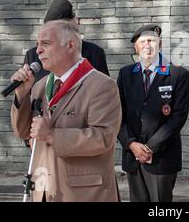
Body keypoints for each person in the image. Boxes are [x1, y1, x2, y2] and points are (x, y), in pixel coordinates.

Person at [10, 20, 121, 202]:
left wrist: (52, 135)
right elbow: (23, 132)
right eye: (37, 44)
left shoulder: (101, 85)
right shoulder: (40, 86)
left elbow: (104, 138)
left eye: (46, 43)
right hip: (44, 189)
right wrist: (21, 96)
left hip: (83, 194)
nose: (37, 50)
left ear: (70, 45)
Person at [117, 24, 189, 202]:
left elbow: (178, 117)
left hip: (161, 158)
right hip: (133, 156)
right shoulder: (126, 74)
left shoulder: (177, 74)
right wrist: (131, 144)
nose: (147, 45)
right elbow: (118, 114)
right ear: (136, 47)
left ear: (160, 44)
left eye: (151, 41)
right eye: (142, 41)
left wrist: (150, 148)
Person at [24, 0, 109, 82]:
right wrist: (22, 94)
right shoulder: (33, 57)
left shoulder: (94, 53)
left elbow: (103, 87)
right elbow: (28, 93)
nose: (39, 50)